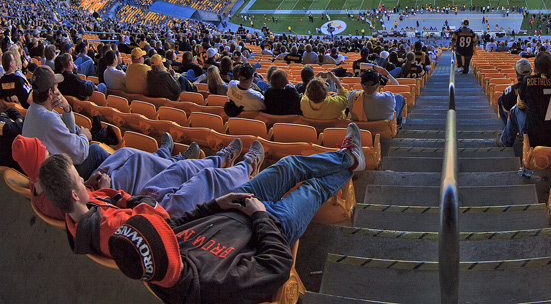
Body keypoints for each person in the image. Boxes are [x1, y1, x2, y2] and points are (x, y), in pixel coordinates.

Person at [105, 125, 366, 304]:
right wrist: (260, 217)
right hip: (273, 225)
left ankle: (348, 158)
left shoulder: (162, 246)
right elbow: (277, 264)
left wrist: (218, 203)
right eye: (163, 231)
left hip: (236, 203)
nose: (167, 227)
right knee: (314, 187)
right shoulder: (213, 285)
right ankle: (350, 164)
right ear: (164, 253)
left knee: (288, 164)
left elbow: (179, 222)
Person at [37, 138, 263, 258]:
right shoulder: (108, 227)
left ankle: (219, 159)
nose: (83, 178)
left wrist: (105, 191)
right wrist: (119, 195)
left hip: (139, 206)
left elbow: (112, 206)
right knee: (204, 179)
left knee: (179, 169)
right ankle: (246, 167)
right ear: (74, 194)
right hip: (163, 222)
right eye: (79, 179)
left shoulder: (76, 212)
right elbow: (151, 222)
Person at [22, 66, 109, 179]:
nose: (58, 91)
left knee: (80, 133)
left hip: (45, 173)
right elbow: (80, 154)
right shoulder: (48, 119)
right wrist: (84, 136)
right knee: (96, 151)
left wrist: (67, 108)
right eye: (56, 87)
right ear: (50, 93)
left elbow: (69, 131)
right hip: (57, 180)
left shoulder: (34, 110)